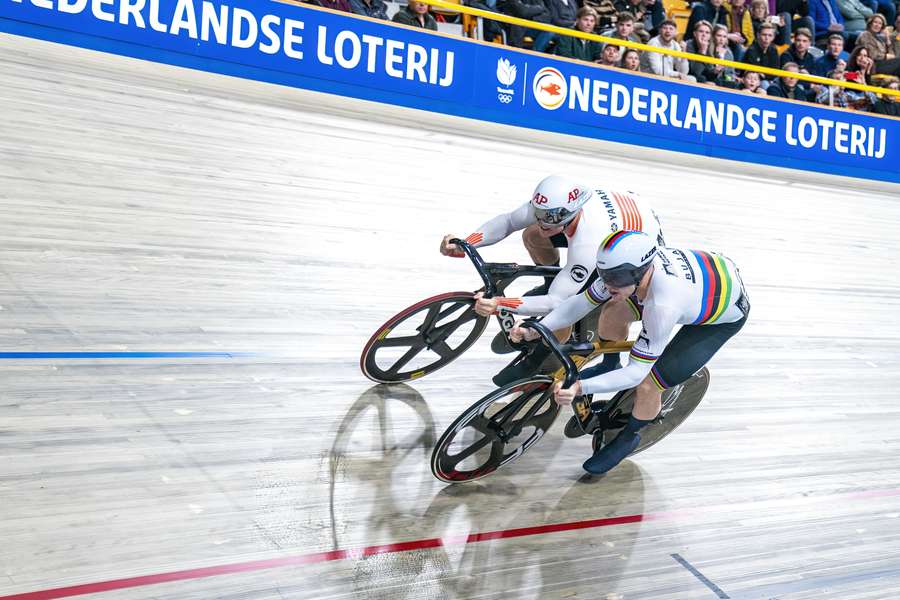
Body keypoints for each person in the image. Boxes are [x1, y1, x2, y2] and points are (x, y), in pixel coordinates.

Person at [512, 231, 749, 475]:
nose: (607, 284)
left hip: (719, 316)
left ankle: (629, 436)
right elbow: (583, 302)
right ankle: (610, 363)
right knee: (613, 308)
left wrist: (579, 388)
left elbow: (636, 373)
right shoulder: (620, 272)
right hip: (698, 282)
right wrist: (540, 328)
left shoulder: (662, 306)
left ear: (640, 272)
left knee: (648, 384)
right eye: (604, 275)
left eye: (615, 279)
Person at [440, 176, 665, 386]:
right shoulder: (552, 208)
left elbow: (559, 303)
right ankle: (553, 281)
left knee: (566, 306)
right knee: (533, 234)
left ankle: (537, 360)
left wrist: (500, 303)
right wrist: (467, 243)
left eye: (550, 218)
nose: (543, 220)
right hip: (623, 215)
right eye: (539, 212)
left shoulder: (588, 243)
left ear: (569, 213)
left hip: (627, 248)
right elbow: (509, 221)